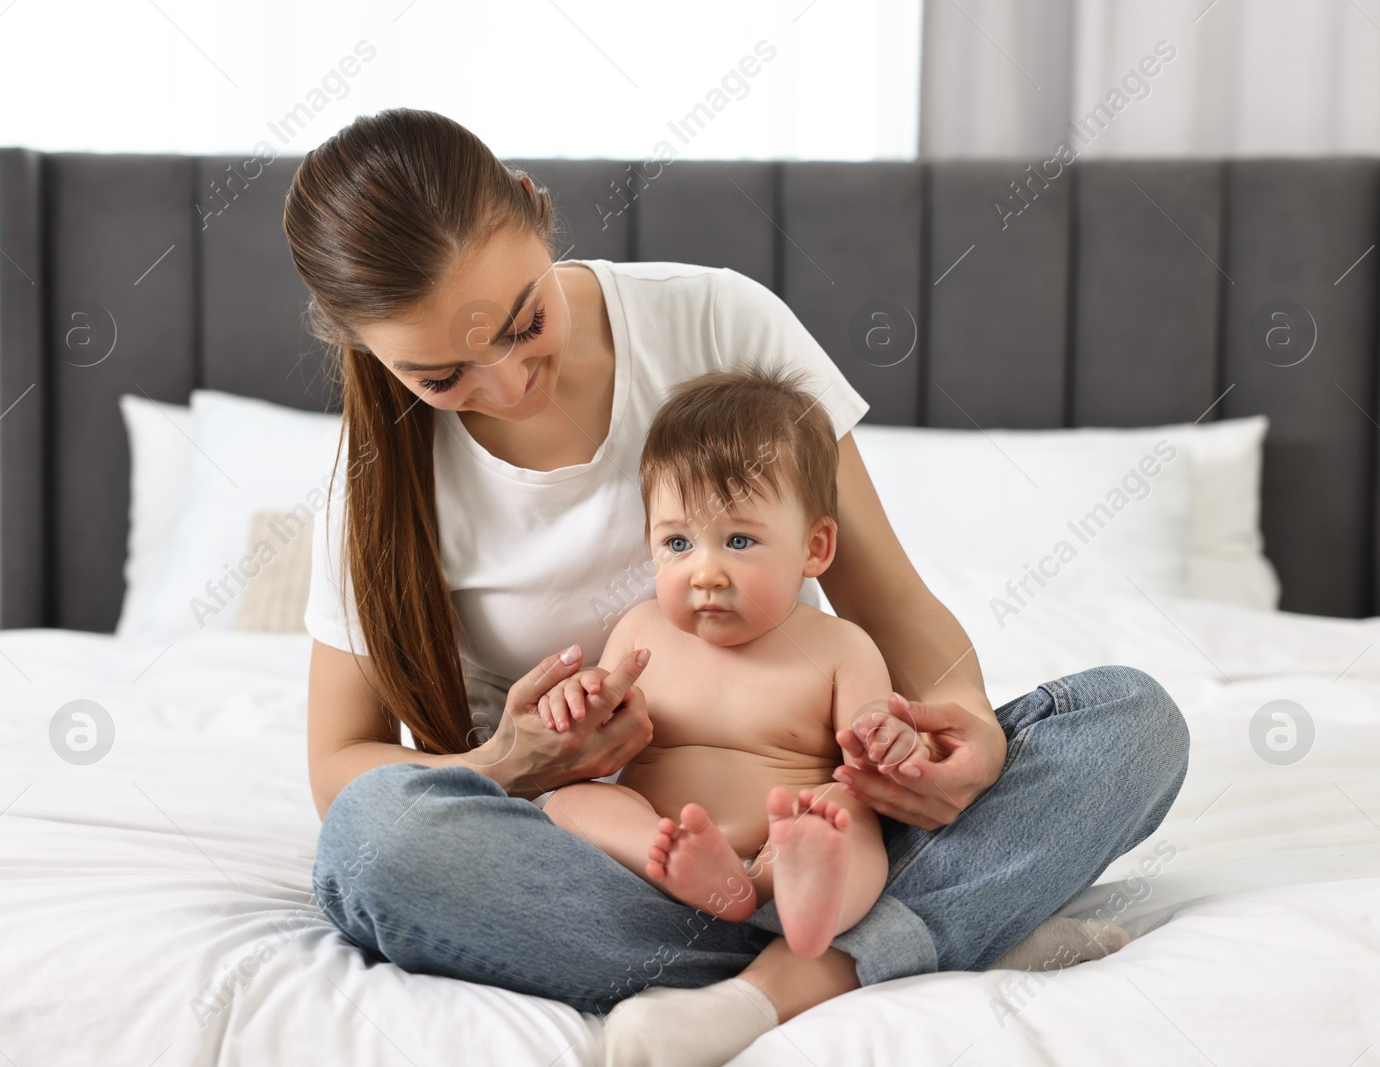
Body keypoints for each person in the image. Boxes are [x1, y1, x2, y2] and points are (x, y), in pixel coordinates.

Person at [288, 108, 1189, 1067]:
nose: (510, 384)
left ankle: (776, 981)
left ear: (531, 207)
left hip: (813, 815)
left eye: (525, 324)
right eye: (443, 376)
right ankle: (914, 938)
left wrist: (961, 725)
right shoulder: (378, 478)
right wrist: (510, 762)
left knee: (1132, 722)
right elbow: (340, 766)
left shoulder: (716, 319)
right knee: (375, 847)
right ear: (367, 349)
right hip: (600, 860)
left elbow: (887, 601)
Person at [532, 364, 894, 962]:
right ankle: (679, 863)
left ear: (814, 547)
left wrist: (888, 739)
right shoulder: (642, 630)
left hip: (781, 840)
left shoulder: (841, 646)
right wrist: (574, 701)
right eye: (677, 543)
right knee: (574, 801)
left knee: (846, 814)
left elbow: (870, 758)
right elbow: (593, 734)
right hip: (662, 842)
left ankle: (811, 898)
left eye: (739, 541)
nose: (704, 572)